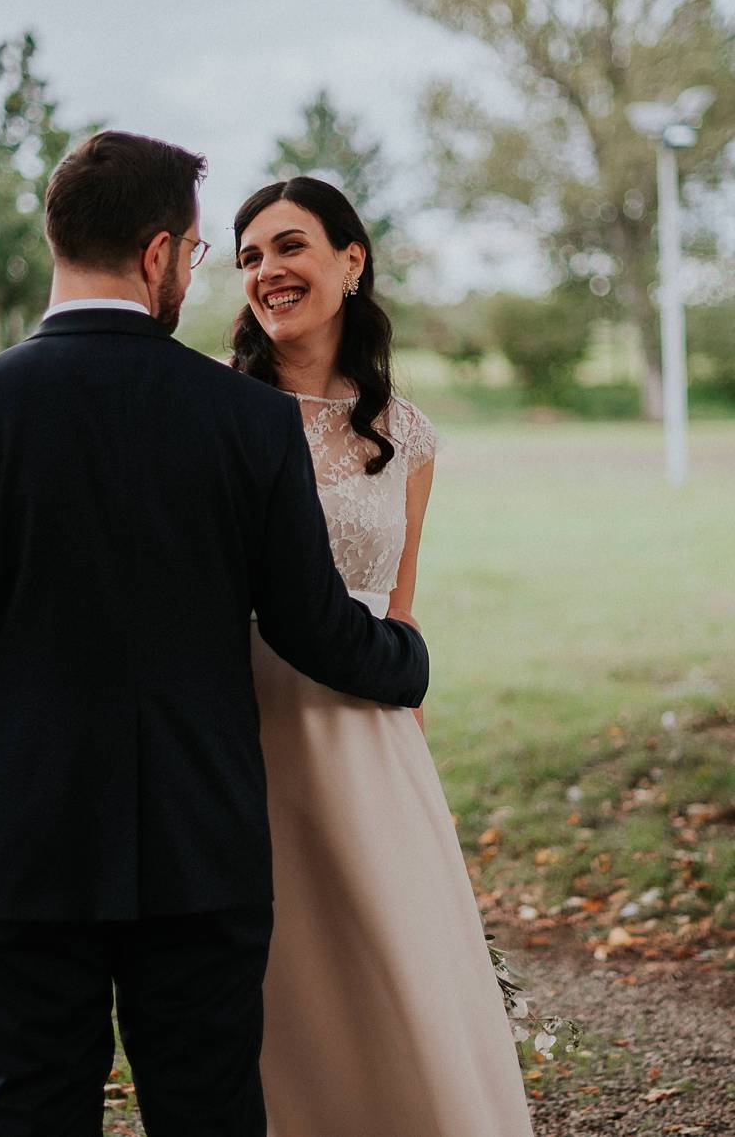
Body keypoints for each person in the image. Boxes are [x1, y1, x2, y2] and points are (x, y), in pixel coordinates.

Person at [0, 131, 429, 1137]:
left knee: (35, 1111)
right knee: (210, 1113)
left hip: (20, 852)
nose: (194, 273)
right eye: (195, 254)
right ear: (156, 256)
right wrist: (411, 655)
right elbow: (317, 627)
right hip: (201, 849)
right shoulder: (247, 422)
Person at [232, 175, 534, 1137]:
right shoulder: (218, 410)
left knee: (389, 954)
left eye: (289, 247)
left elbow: (399, 608)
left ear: (351, 260)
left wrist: (407, 723)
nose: (267, 272)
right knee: (281, 969)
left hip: (365, 727)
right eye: (247, 258)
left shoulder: (406, 437)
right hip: (243, 720)